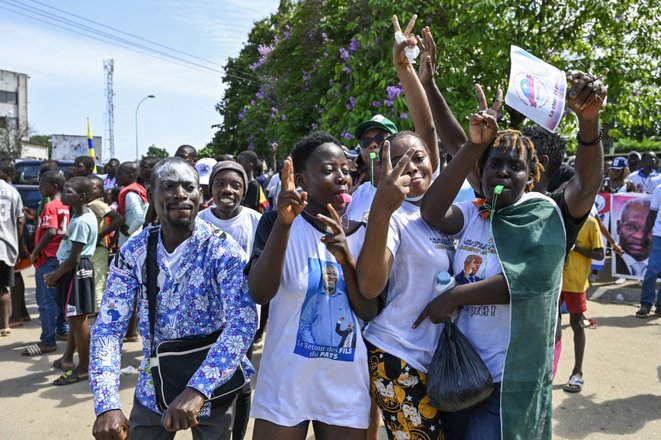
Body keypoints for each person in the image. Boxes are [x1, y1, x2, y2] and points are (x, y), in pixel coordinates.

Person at [418, 69, 605, 439]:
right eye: (494, 164)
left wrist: (589, 121)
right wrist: (428, 85)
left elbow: (527, 281)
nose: (503, 171)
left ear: (531, 177)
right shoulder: (474, 212)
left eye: (515, 166)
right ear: (481, 172)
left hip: (508, 380)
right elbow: (432, 210)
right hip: (462, 370)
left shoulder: (546, 216)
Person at [90, 157, 256, 439]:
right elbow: (108, 326)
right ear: (151, 193)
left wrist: (198, 389)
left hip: (215, 386)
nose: (180, 193)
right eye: (168, 186)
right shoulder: (135, 251)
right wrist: (107, 404)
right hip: (154, 386)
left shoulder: (222, 249)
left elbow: (242, 324)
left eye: (188, 186)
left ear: (200, 195)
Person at [247, 132, 378, 439]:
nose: (342, 178)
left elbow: (369, 310)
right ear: (302, 181)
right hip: (285, 383)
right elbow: (260, 292)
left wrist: (346, 260)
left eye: (346, 170)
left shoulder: (364, 234)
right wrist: (283, 223)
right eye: (329, 170)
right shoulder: (276, 223)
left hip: (344, 387)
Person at [197, 160, 261, 440]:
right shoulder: (199, 222)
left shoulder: (255, 221)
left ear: (244, 190)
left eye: (236, 185)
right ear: (211, 188)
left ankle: (239, 434)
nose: (228, 190)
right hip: (205, 319)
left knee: (242, 380)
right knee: (206, 379)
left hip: (243, 319)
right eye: (221, 183)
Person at [44, 176, 98, 384]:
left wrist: (54, 276)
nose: (64, 195)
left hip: (75, 270)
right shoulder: (81, 216)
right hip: (76, 269)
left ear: (82, 196)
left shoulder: (81, 221)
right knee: (74, 318)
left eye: (69, 192)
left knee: (78, 319)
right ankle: (68, 358)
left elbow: (74, 258)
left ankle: (84, 368)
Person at [22, 171, 70, 356]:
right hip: (60, 256)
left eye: (42, 184)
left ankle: (47, 340)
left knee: (45, 301)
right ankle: (61, 330)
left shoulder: (51, 205)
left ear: (54, 186)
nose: (39, 188)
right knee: (59, 298)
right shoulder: (65, 205)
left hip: (49, 257)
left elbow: (51, 231)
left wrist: (35, 252)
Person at [560, 216, 604, 393]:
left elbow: (599, 254)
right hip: (555, 281)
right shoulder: (559, 215)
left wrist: (575, 247)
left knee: (577, 325)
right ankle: (546, 370)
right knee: (551, 327)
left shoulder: (591, 223)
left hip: (576, 283)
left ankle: (577, 372)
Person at [88, 175, 124, 310]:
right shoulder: (88, 204)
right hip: (91, 249)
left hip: (98, 248)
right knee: (93, 281)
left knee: (98, 282)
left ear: (101, 191)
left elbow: (118, 219)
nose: (90, 190)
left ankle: (100, 314)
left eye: (94, 188)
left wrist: (100, 235)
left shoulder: (97, 204)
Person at [0, 161, 25, 336]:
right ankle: (5, 325)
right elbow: (20, 220)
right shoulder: (13, 192)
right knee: (3, 287)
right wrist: (17, 243)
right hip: (6, 245)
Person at [636, 183, 661, 318]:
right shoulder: (659, 188)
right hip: (658, 236)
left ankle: (660, 306)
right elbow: (652, 213)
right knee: (652, 271)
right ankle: (645, 304)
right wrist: (645, 234)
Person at [615, 198, 651, 277]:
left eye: (649, 229)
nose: (639, 236)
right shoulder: (615, 262)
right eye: (631, 226)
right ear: (618, 227)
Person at [115, 162, 148, 247]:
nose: (116, 176)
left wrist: (128, 232)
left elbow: (140, 219)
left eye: (119, 174)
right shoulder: (139, 190)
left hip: (129, 241)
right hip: (135, 238)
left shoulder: (130, 194)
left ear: (130, 176)